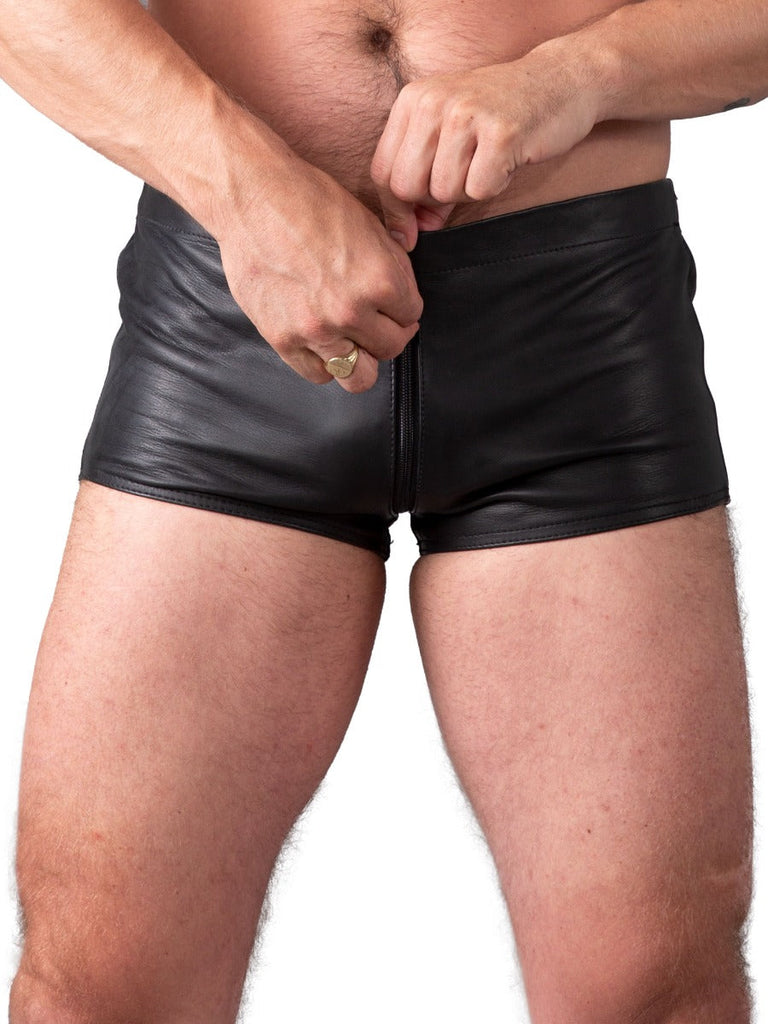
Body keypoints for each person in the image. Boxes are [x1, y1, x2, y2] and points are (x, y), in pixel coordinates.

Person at [1, 0, 764, 1020]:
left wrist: (578, 74)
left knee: (654, 994)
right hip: (235, 310)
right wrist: (242, 184)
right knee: (97, 992)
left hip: (573, 329)